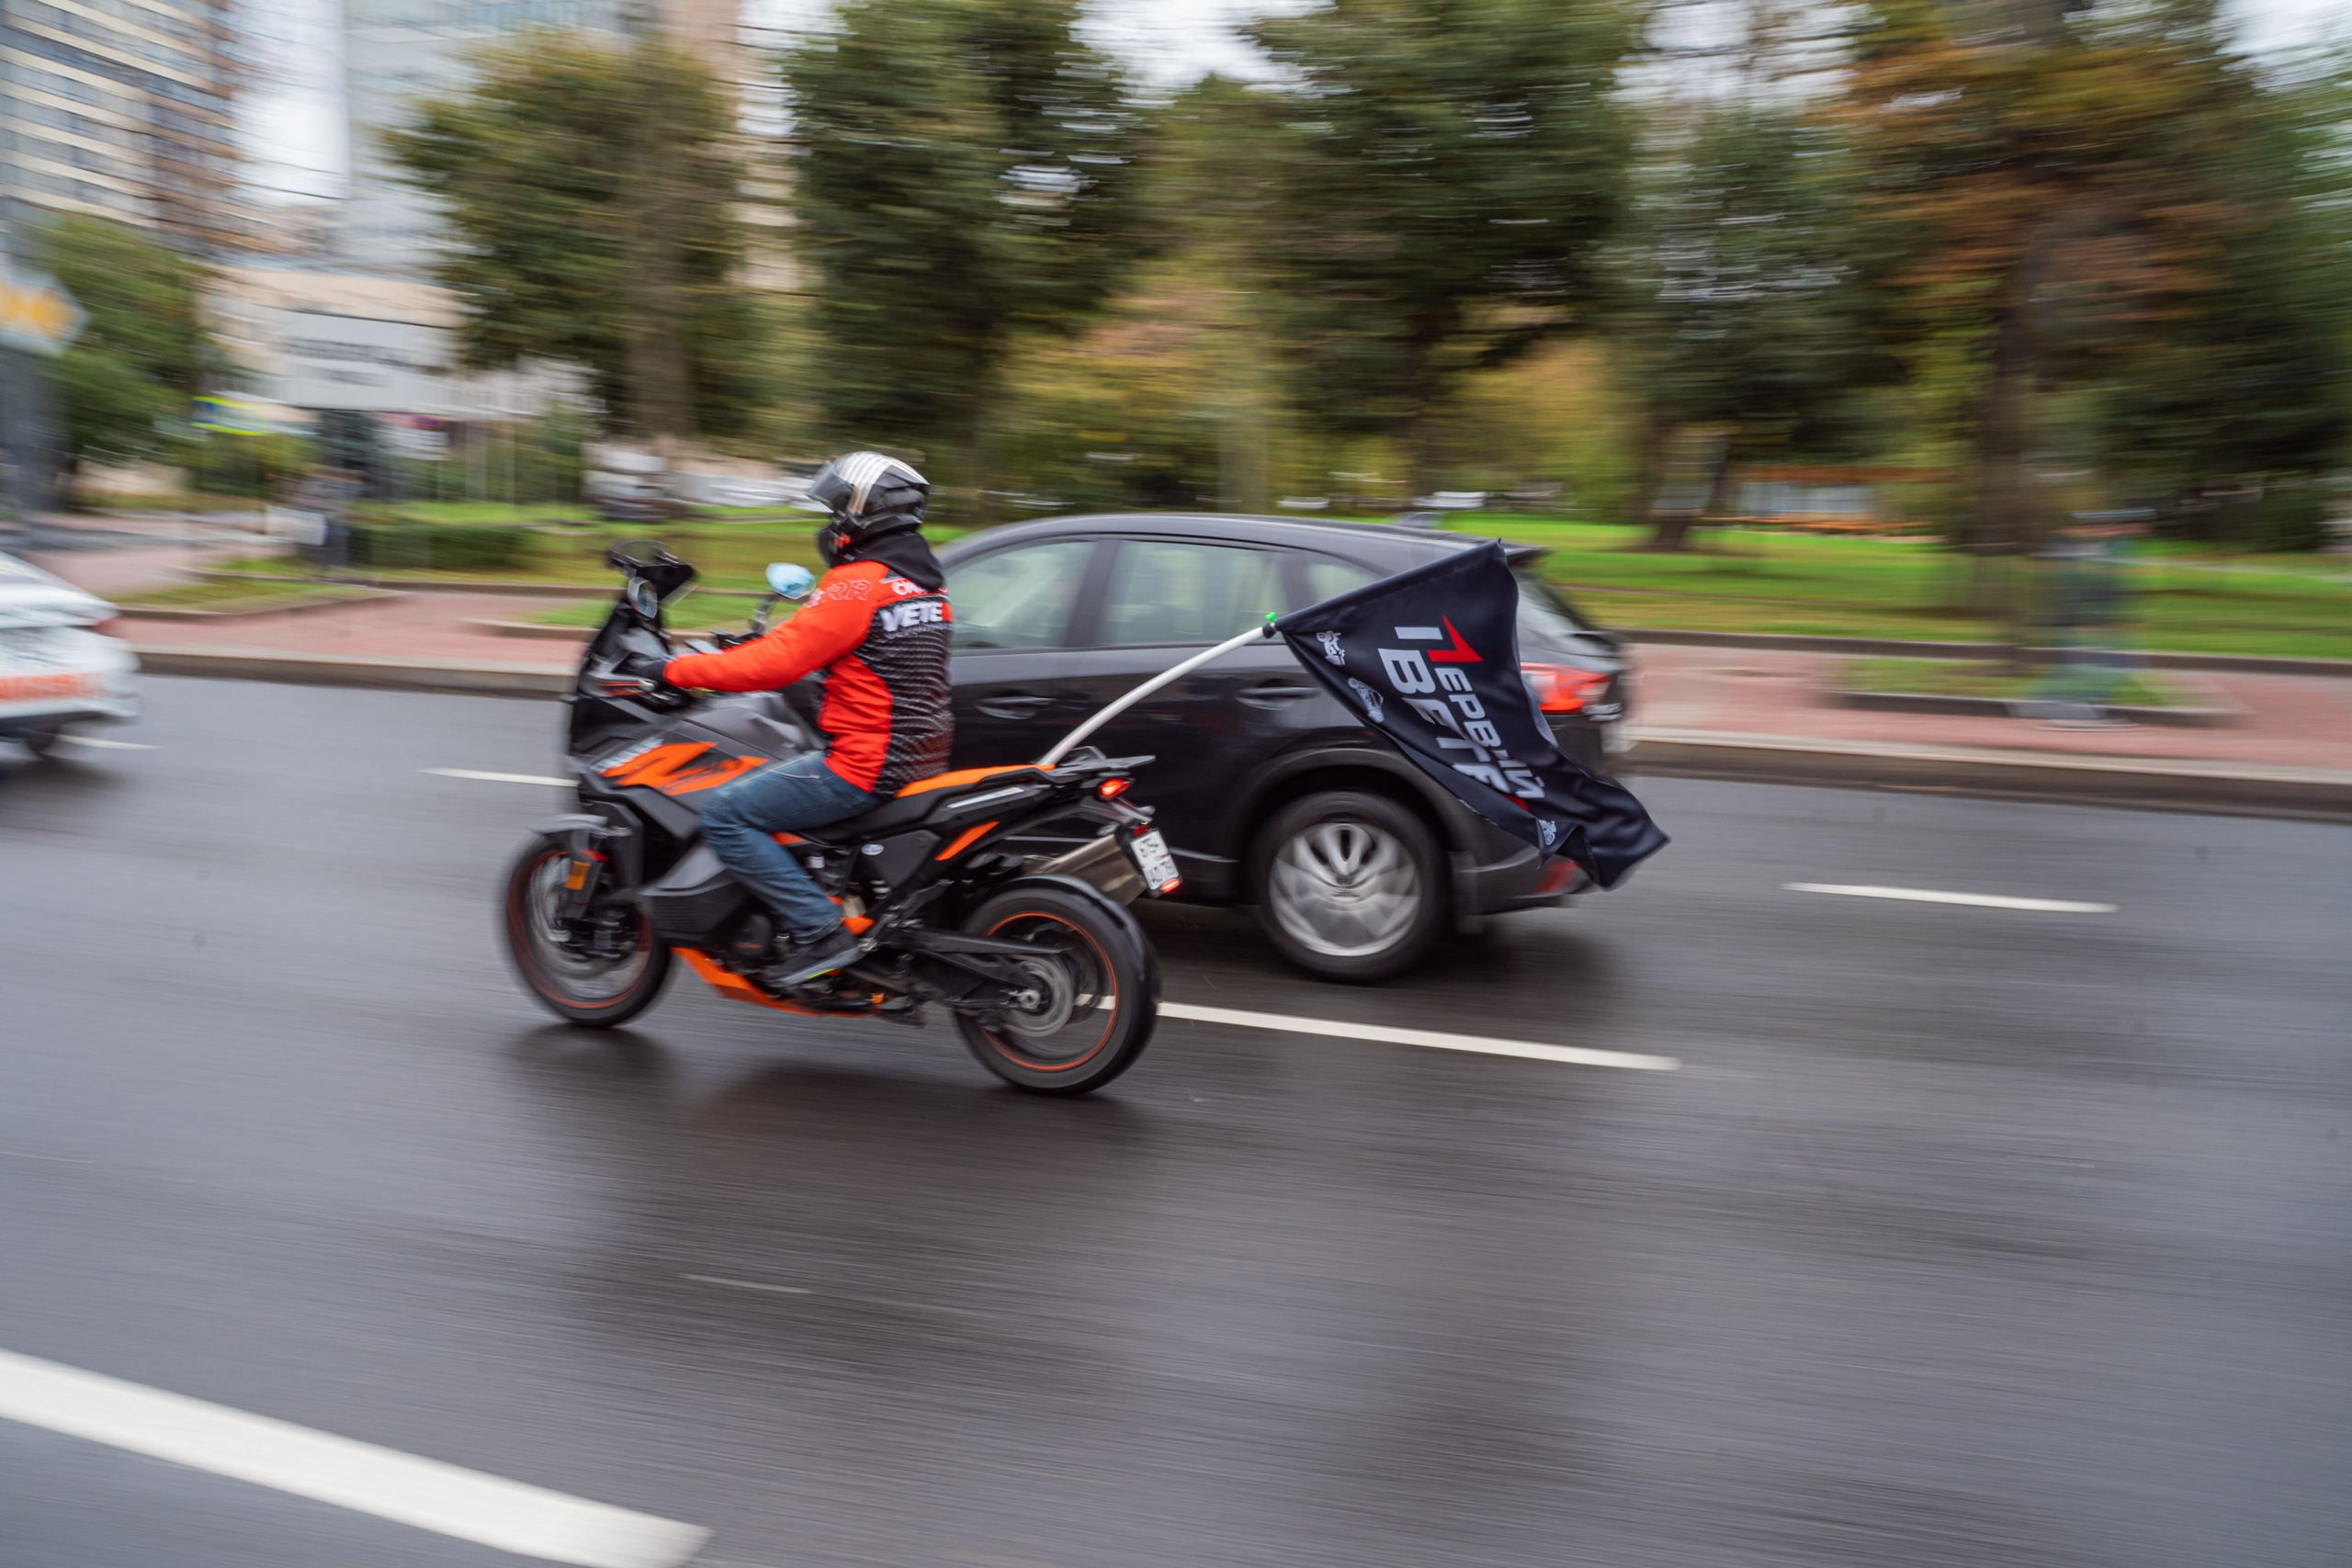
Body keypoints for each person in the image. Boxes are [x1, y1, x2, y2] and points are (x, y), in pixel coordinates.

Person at [661, 452, 953, 985]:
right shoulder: (926, 584)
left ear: (863, 510)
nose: (831, 522)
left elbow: (778, 664)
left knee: (726, 812)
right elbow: (847, 650)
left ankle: (819, 931)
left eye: (836, 509)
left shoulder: (857, 583)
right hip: (921, 755)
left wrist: (675, 670)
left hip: (865, 765)